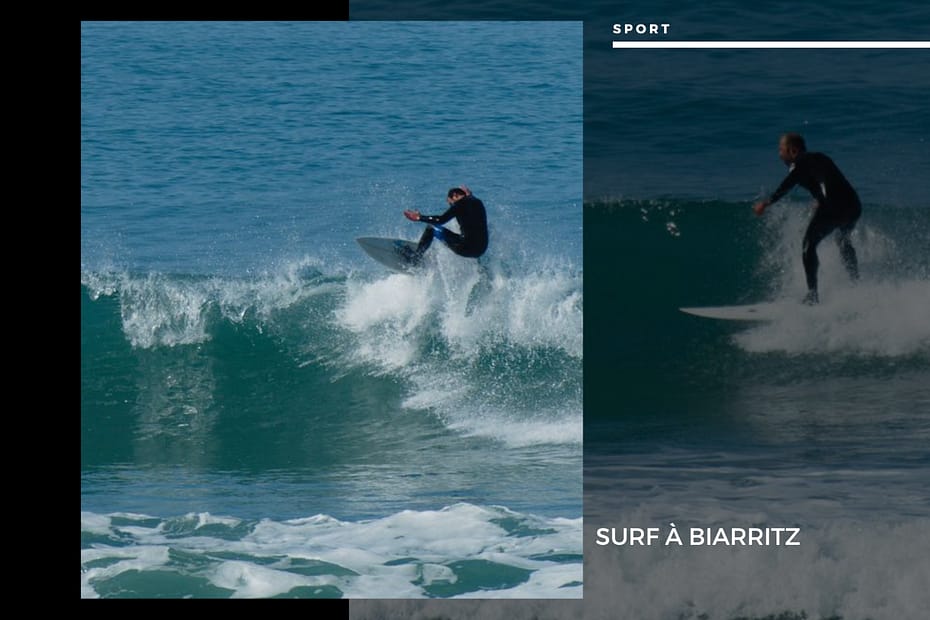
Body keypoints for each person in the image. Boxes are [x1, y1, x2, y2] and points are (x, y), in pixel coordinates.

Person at [752, 133, 861, 304]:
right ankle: (856, 284)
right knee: (843, 240)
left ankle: (812, 295)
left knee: (808, 246)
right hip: (853, 205)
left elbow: (787, 185)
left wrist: (766, 203)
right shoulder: (820, 158)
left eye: (781, 150)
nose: (779, 154)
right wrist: (820, 198)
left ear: (793, 151)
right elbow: (829, 180)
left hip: (833, 207)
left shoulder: (799, 164)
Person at [403, 185, 489, 261]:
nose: (451, 206)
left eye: (450, 203)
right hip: (481, 250)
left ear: (455, 196)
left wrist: (419, 217)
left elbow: (441, 220)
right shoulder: (477, 201)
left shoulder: (459, 205)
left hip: (465, 248)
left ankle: (415, 258)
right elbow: (469, 199)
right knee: (474, 235)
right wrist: (470, 194)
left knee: (431, 228)